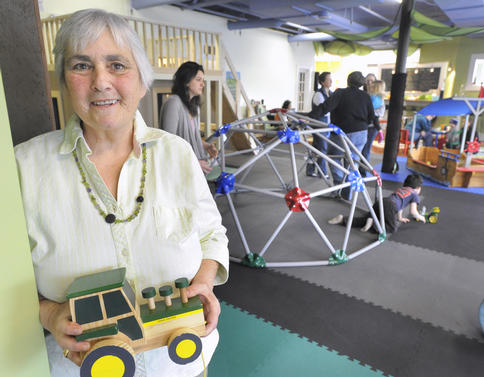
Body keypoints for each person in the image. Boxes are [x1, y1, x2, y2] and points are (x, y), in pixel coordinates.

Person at [14, 9, 229, 377]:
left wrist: (205, 282)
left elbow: (211, 235)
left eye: (117, 65)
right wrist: (49, 313)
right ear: (64, 83)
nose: (101, 81)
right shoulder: (23, 167)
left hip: (180, 367)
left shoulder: (176, 153)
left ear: (143, 82)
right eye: (81, 66)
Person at [319, 71, 378, 200]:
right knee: (352, 162)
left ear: (348, 81)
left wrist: (309, 117)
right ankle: (348, 191)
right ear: (361, 83)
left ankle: (339, 184)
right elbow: (371, 117)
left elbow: (325, 108)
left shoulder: (340, 93)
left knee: (333, 157)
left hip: (341, 132)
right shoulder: (365, 96)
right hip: (360, 133)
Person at [159, 61, 218, 174]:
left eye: (203, 80)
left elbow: (191, 140)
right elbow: (168, 143)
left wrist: (206, 146)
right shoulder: (173, 103)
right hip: (179, 171)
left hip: (194, 167)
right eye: (198, 79)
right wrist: (193, 163)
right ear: (186, 81)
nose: (203, 84)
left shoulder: (194, 107)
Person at [328, 173, 426, 233]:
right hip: (390, 207)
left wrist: (400, 218)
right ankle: (374, 224)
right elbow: (413, 211)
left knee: (364, 219)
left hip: (381, 202)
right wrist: (421, 217)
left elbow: (401, 205)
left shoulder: (402, 189)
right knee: (391, 228)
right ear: (418, 188)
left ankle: (343, 219)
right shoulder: (414, 194)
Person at [306, 71, 333, 178]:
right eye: (328, 79)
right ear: (322, 82)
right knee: (323, 148)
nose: (331, 81)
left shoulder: (330, 93)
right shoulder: (318, 94)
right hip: (318, 124)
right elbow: (325, 110)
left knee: (316, 148)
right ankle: (322, 171)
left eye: (331, 79)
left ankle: (310, 169)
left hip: (326, 124)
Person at [360, 80, 386, 177]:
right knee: (365, 149)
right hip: (372, 127)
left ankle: (363, 171)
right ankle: (362, 170)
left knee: (365, 150)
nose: (369, 85)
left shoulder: (373, 98)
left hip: (370, 126)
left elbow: (371, 114)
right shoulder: (378, 99)